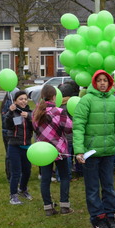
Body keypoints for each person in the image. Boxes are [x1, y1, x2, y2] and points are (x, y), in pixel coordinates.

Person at [74, 70, 115, 228]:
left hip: (108, 152)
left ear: (109, 83)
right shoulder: (86, 100)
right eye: (99, 80)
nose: (102, 83)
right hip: (90, 154)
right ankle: (98, 218)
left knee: (109, 187)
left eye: (105, 80)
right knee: (92, 188)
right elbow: (78, 126)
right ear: (94, 82)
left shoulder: (113, 100)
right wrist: (79, 151)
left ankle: (110, 216)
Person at [32, 85, 73, 216]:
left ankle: (48, 207)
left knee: (45, 179)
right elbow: (69, 128)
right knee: (64, 177)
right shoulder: (59, 111)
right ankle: (64, 206)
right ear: (54, 96)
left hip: (43, 151)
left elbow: (34, 128)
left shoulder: (36, 112)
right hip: (59, 149)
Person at [3, 90, 34, 205]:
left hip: (27, 146)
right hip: (14, 146)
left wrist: (29, 117)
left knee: (27, 171)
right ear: (15, 101)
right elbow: (8, 125)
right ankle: (13, 195)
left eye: (25, 99)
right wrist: (10, 113)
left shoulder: (30, 112)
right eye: (21, 99)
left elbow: (35, 126)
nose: (23, 101)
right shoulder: (12, 112)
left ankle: (23, 189)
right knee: (16, 172)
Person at [0, 88, 20, 181]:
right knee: (10, 154)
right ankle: (11, 175)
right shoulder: (9, 105)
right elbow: (7, 120)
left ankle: (14, 173)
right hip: (9, 133)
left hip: (8, 132)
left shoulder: (8, 103)